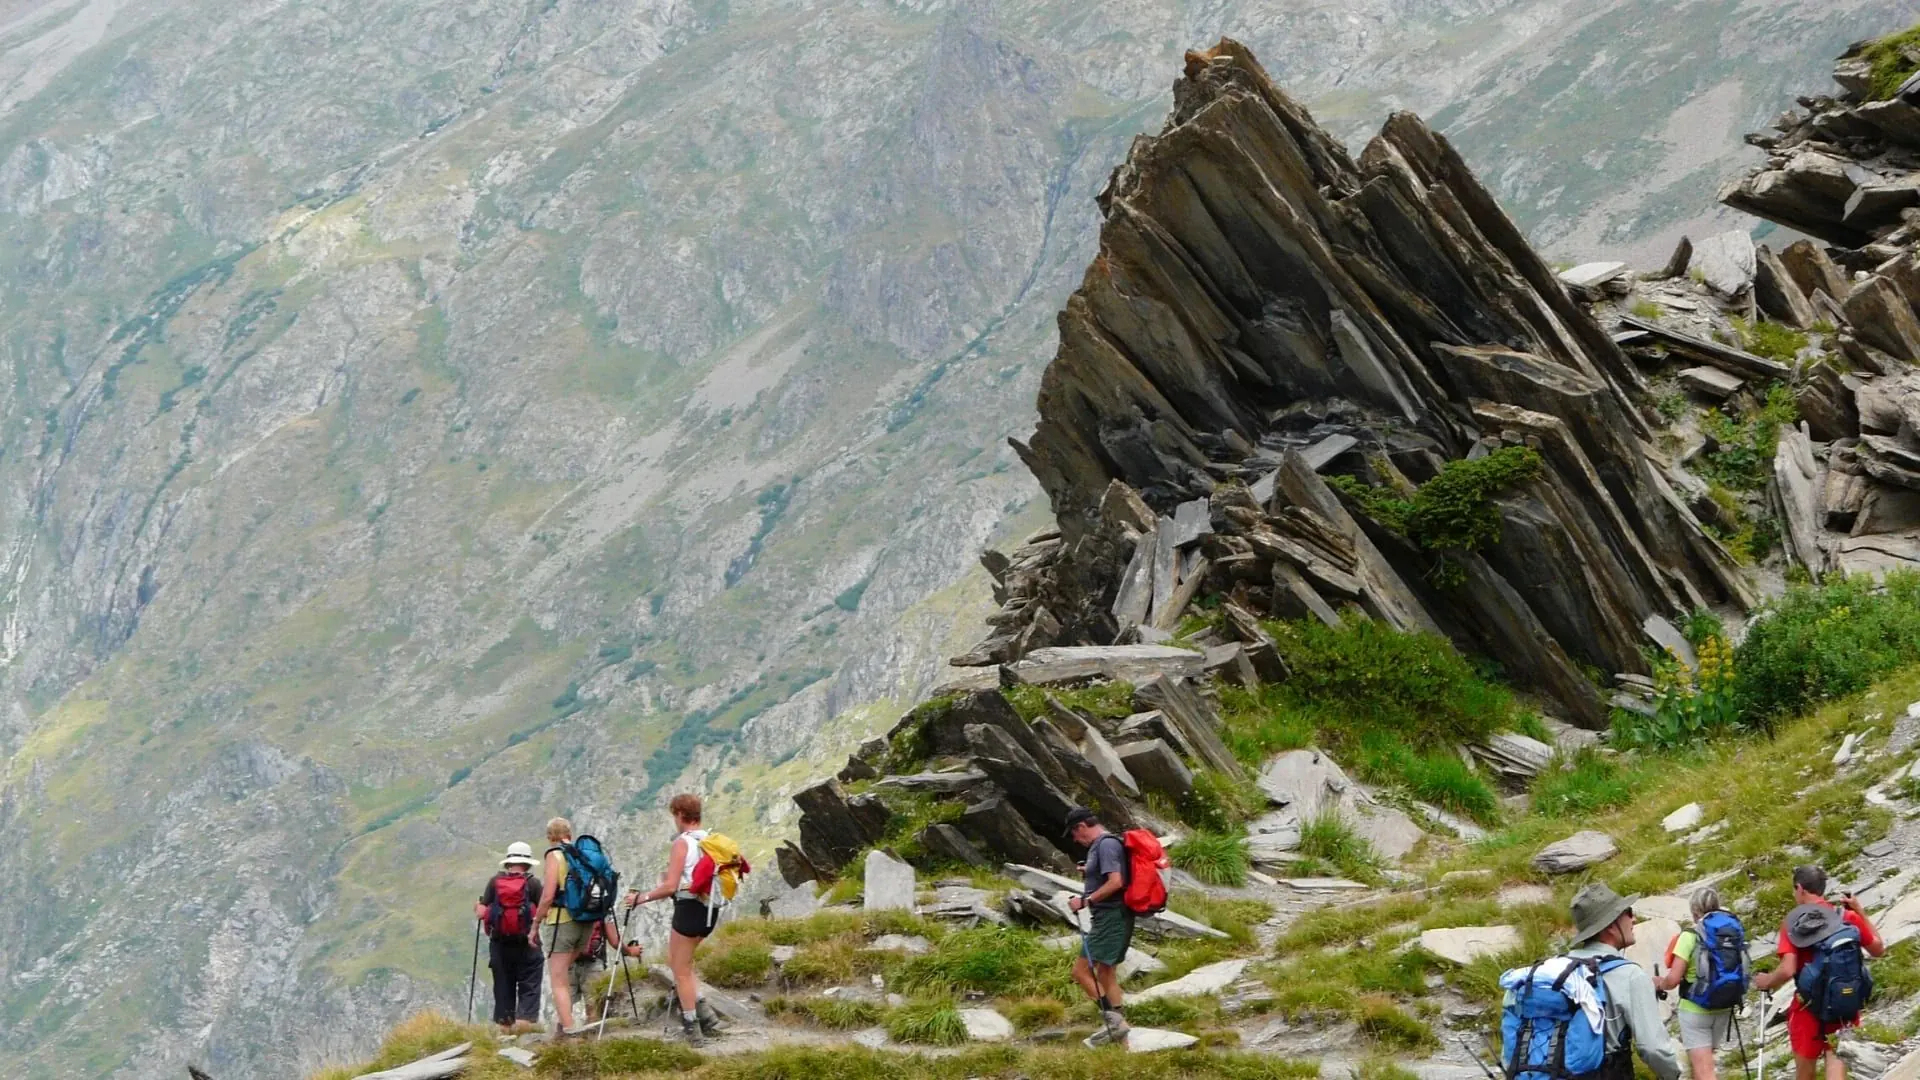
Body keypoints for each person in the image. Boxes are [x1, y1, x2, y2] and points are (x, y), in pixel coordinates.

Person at [1752, 866, 1885, 1080]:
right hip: (1845, 1003)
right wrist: (1859, 911)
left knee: (1805, 1075)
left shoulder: (1792, 923)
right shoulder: (1846, 916)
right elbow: (1878, 949)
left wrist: (1766, 980)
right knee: (1837, 1065)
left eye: (1794, 890)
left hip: (1808, 1009)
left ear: (1800, 888)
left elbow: (1787, 969)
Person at [624, 793, 724, 1047]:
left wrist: (641, 898)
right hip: (710, 910)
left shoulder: (683, 843)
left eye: (674, 816)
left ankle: (693, 1029)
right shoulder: (710, 840)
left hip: (688, 908)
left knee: (679, 970)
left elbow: (670, 886)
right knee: (685, 965)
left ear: (679, 815)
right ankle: (706, 1016)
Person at [1565, 883, 1683, 1080]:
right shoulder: (1629, 975)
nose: (1633, 919)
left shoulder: (1555, 972)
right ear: (1610, 926)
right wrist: (1672, 1074)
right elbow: (1653, 1048)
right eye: (1628, 912)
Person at [1654, 886, 1740, 1080]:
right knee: (1705, 1063)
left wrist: (1660, 983)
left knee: (1704, 1071)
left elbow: (1674, 979)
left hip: (1695, 1009)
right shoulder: (1729, 931)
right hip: (1724, 1005)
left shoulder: (1689, 936)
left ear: (1694, 911)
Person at [1064, 806, 1131, 1046]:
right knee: (1105, 972)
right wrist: (1089, 872)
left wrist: (1085, 900)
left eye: (1074, 833)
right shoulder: (1102, 846)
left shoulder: (1106, 845)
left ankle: (1115, 1023)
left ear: (1081, 827)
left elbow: (1116, 882)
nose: (1075, 839)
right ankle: (1122, 1041)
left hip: (1111, 916)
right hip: (1109, 916)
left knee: (1081, 972)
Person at [529, 817, 590, 1038]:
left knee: (558, 977)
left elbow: (547, 896)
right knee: (564, 971)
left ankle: (569, 1030)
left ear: (549, 837)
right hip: (587, 923)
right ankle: (568, 1025)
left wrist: (535, 924)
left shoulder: (555, 856)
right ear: (569, 834)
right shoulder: (583, 855)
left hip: (562, 922)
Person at [474, 841, 543, 1033]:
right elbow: (544, 909)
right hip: (527, 941)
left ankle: (505, 1029)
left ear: (508, 861)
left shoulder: (494, 882)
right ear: (528, 863)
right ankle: (525, 1026)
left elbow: (482, 911)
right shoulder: (533, 883)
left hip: (499, 943)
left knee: (503, 986)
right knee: (529, 984)